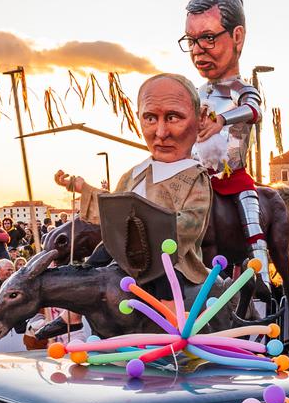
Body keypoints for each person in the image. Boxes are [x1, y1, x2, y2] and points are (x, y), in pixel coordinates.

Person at [55, 73, 211, 293]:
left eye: (173, 117)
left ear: (200, 118)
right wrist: (81, 187)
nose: (161, 132)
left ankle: (172, 318)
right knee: (87, 272)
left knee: (166, 278)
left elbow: (190, 225)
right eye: (150, 118)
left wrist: (142, 228)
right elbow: (112, 207)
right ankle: (70, 316)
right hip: (124, 253)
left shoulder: (194, 176)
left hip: (166, 260)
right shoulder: (133, 174)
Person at [181, 0, 269, 287]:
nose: (197, 51)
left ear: (237, 37)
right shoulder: (192, 92)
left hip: (230, 177)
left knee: (252, 221)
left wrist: (222, 119)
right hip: (193, 181)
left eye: (207, 38)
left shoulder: (243, 90)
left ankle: (264, 278)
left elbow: (254, 111)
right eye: (191, 41)